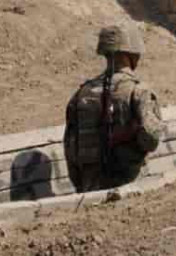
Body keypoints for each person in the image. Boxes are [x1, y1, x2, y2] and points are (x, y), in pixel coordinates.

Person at [63, 22, 164, 192]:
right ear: (133, 52)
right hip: (131, 186)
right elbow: (151, 139)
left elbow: (70, 149)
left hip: (90, 189)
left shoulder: (81, 94)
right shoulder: (138, 91)